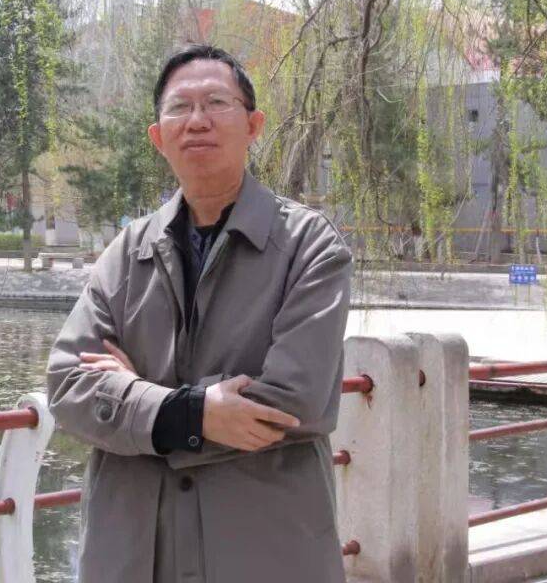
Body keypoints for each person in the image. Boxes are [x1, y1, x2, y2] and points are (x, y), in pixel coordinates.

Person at [46, 44, 353, 582]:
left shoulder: (309, 247)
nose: (197, 121)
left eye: (216, 103)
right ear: (157, 137)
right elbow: (70, 385)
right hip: (135, 557)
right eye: (180, 107)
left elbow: (291, 400)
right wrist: (193, 413)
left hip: (263, 556)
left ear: (253, 126)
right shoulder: (127, 253)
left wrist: (137, 398)